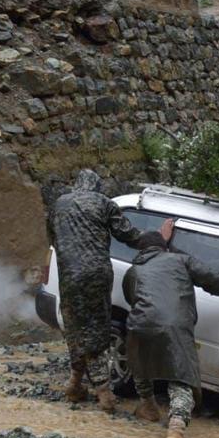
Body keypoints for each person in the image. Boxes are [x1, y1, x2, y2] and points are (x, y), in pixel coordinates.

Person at [122, 225, 219, 438]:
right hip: (175, 325)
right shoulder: (179, 260)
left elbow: (131, 296)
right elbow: (213, 278)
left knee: (139, 363)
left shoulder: (134, 271)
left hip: (139, 323)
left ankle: (148, 406)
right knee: (181, 377)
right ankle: (176, 431)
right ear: (164, 248)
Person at [47, 169, 147, 411]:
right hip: (97, 275)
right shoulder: (104, 203)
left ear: (77, 184)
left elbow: (51, 237)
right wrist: (157, 240)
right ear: (97, 186)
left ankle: (74, 383)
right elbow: (129, 235)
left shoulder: (59, 204)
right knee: (97, 329)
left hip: (69, 275)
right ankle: (104, 394)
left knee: (75, 327)